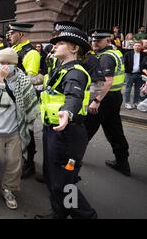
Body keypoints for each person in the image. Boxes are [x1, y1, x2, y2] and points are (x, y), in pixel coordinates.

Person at [35, 27, 97, 219]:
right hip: (53, 130)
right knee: (51, 177)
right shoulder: (60, 68)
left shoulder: (75, 72)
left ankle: (86, 216)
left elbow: (74, 96)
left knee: (63, 183)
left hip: (67, 134)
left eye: (60, 43)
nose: (55, 46)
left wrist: (67, 112)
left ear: (74, 48)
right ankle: (58, 214)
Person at [0, 48, 38, 212]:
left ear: (14, 64)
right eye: (2, 63)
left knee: (14, 163)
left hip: (15, 131)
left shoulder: (23, 80)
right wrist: (0, 80)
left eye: (8, 63)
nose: (4, 66)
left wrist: (27, 125)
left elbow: (31, 103)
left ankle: (8, 189)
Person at [85, 29, 131, 176]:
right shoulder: (115, 52)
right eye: (93, 40)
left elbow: (108, 81)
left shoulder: (106, 57)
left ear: (108, 41)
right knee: (114, 130)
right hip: (114, 97)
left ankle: (70, 159)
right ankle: (122, 162)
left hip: (104, 98)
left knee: (85, 129)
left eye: (98, 40)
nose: (95, 43)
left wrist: (96, 100)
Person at [7, 22, 41, 178]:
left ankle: (30, 163)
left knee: (26, 130)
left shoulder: (31, 53)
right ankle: (18, 158)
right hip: (10, 97)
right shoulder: (14, 50)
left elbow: (30, 80)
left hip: (23, 98)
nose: (9, 35)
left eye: (12, 32)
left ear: (20, 34)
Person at [123, 41, 145, 109]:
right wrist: (126, 71)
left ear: (141, 47)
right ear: (133, 46)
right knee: (128, 89)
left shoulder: (144, 55)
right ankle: (127, 102)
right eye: (136, 45)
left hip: (139, 74)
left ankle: (136, 102)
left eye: (139, 45)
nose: (137, 47)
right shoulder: (127, 54)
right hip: (129, 74)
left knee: (137, 89)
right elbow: (124, 63)